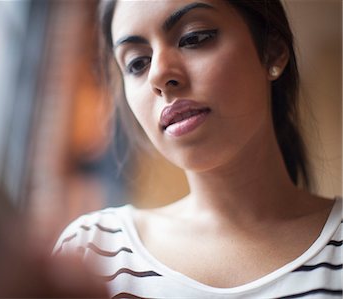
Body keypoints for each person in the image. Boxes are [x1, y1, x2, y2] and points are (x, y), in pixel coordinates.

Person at [53, 0, 342, 298]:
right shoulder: (92, 251)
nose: (159, 75)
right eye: (137, 63)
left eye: (194, 37)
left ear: (273, 49)